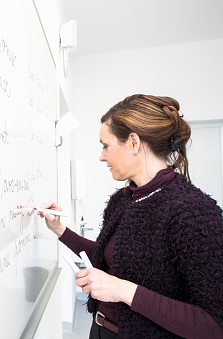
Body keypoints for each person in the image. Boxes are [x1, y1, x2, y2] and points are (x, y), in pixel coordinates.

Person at [38, 94, 223, 339]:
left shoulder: (193, 211)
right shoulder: (122, 200)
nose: (101, 156)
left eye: (105, 146)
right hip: (100, 329)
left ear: (133, 143)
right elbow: (110, 257)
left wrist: (123, 290)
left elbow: (213, 324)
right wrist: (60, 230)